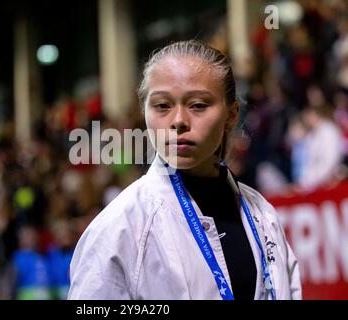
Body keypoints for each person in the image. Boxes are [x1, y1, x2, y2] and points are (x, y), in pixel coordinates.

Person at [68, 40, 301, 300]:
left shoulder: (263, 214)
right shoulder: (119, 229)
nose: (178, 121)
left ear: (232, 114)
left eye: (198, 105)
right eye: (162, 106)